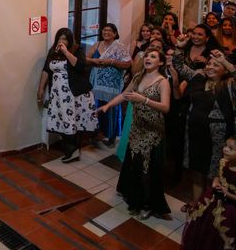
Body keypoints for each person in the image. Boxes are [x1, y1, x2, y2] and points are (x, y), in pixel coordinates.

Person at [98, 49, 171, 220]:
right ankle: (134, 197)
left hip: (153, 131)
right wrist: (108, 106)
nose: (148, 58)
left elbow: (166, 107)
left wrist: (144, 100)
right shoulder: (138, 77)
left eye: (153, 56)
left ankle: (148, 204)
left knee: (148, 169)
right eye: (147, 55)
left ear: (160, 62)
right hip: (137, 128)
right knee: (135, 165)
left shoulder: (162, 82)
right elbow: (125, 95)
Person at [173, 38, 236, 201]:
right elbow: (179, 67)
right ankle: (197, 204)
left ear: (224, 70)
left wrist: (225, 61)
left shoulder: (230, 86)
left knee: (214, 173)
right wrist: (179, 48)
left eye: (216, 65)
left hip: (217, 138)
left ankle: (211, 206)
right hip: (194, 132)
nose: (210, 66)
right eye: (209, 64)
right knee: (196, 170)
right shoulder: (198, 78)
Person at [37, 28, 97, 163]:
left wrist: (65, 51)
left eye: (65, 39)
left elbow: (79, 65)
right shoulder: (52, 51)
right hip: (58, 93)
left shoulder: (77, 50)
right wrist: (40, 88)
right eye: (60, 38)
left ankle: (73, 149)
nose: (61, 41)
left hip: (74, 92)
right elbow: (46, 70)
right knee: (61, 119)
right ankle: (72, 148)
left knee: (74, 120)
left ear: (69, 41)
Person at [181, 135, 236, 249]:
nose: (225, 149)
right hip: (214, 199)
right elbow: (218, 176)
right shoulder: (224, 162)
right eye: (225, 145)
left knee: (223, 233)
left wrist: (227, 193)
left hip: (233, 209)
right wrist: (216, 181)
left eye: (231, 148)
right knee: (203, 227)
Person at [87, 23, 131, 147]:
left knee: (111, 109)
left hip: (111, 85)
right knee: (95, 107)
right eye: (104, 30)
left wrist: (112, 61)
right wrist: (94, 61)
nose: (106, 32)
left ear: (115, 33)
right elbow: (86, 59)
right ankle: (95, 134)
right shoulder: (97, 44)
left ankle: (111, 136)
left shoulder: (119, 47)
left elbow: (128, 64)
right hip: (96, 83)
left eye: (109, 30)